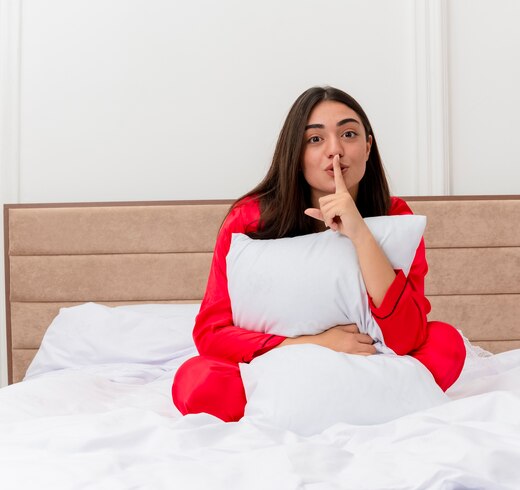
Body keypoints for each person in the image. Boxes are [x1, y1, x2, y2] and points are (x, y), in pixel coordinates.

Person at [172, 86, 466, 422]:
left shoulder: (396, 216)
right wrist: (318, 343)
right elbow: (211, 333)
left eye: (349, 134)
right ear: (295, 153)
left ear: (368, 147)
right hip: (280, 360)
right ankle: (353, 400)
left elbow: (408, 337)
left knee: (444, 342)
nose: (335, 150)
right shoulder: (249, 218)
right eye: (315, 139)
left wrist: (359, 232)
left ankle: (346, 399)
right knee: (196, 380)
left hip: (369, 356)